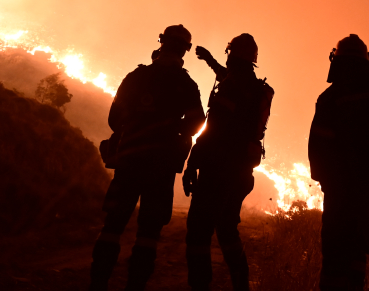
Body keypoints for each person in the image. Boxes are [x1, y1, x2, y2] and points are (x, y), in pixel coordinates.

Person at [89, 25, 205, 291]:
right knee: (149, 233)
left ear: (162, 42)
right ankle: (135, 285)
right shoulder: (186, 84)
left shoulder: (137, 77)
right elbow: (197, 122)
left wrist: (135, 127)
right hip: (161, 167)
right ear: (184, 50)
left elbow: (114, 119)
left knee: (113, 225)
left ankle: (97, 284)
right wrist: (173, 131)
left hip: (129, 161)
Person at [309, 34, 369, 291]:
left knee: (335, 250)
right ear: (366, 61)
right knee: (359, 248)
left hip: (341, 188)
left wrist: (325, 179)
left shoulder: (330, 98)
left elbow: (318, 146)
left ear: (337, 61)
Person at [183, 33, 274, 291]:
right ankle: (241, 286)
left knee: (198, 231)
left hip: (217, 169)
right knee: (227, 229)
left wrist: (192, 163)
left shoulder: (231, 87)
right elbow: (228, 76)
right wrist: (209, 60)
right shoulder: (253, 87)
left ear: (232, 55)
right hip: (242, 172)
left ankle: (200, 286)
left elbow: (213, 130)